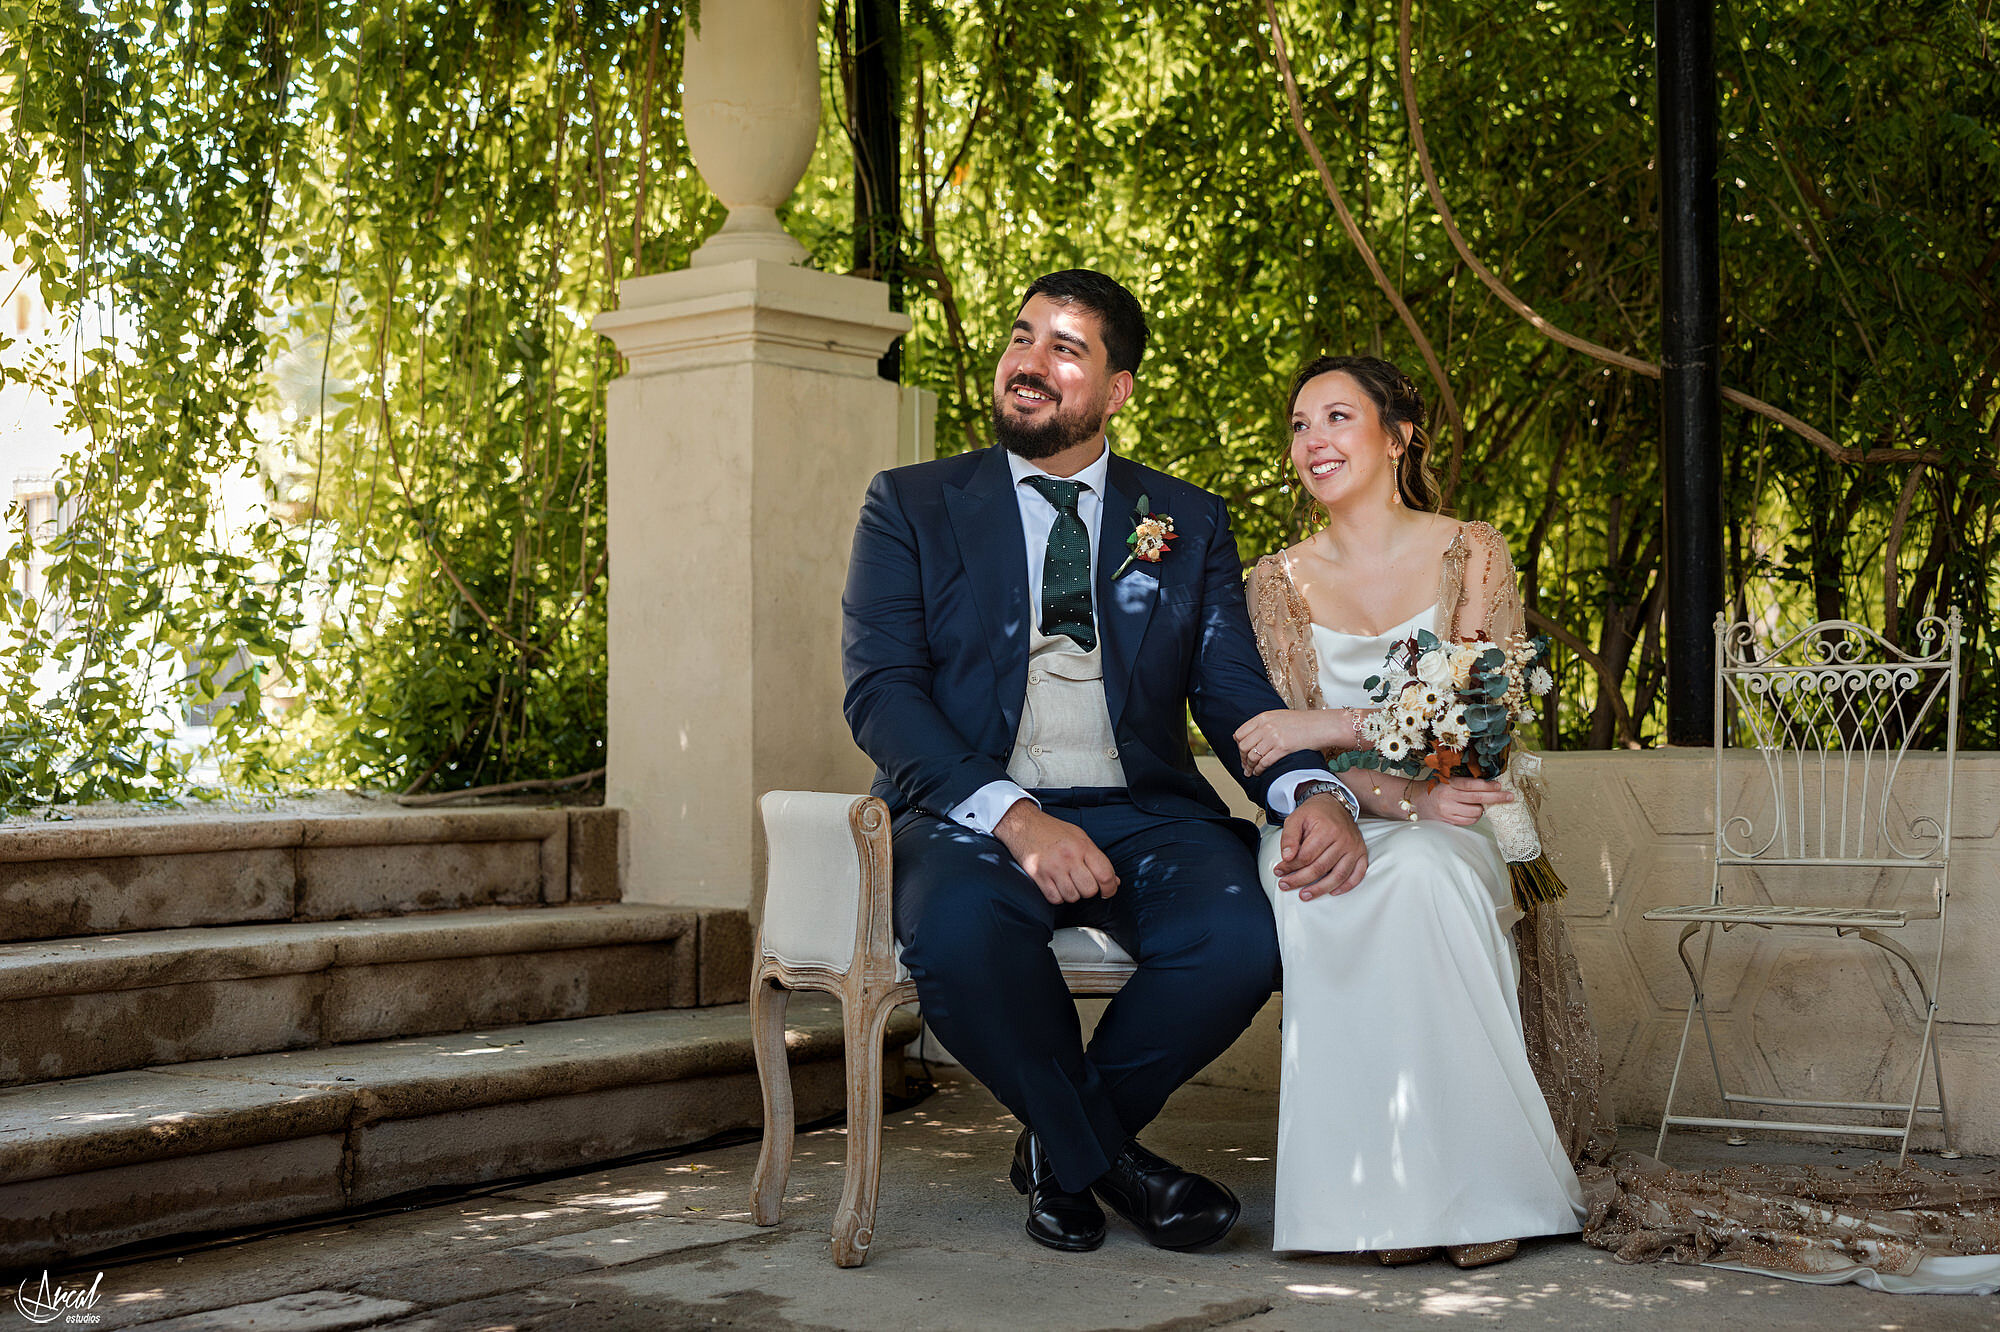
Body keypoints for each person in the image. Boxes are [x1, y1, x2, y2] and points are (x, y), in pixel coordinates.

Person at [841, 270, 1366, 1254]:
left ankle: (1058, 1151)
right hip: (969, 812)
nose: (1027, 363)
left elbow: (1231, 694)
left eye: (1064, 349)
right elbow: (882, 695)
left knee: (1237, 938)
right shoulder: (910, 506)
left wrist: (1314, 792)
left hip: (1143, 812)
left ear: (1116, 390)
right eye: (1021, 337)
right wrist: (1013, 817)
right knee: (958, 936)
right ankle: (1112, 1164)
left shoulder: (1185, 521)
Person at [1231, 354, 1592, 1268]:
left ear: (1398, 437)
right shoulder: (1274, 583)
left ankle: (1481, 1197)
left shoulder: (1470, 550)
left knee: (1429, 876)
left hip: (1460, 808)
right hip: (1337, 811)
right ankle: (1380, 1206)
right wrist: (1386, 786)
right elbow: (1278, 756)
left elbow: (1482, 709)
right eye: (1300, 425)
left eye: (1337, 419)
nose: (1313, 441)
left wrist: (1332, 721)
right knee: (1327, 892)